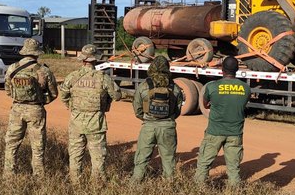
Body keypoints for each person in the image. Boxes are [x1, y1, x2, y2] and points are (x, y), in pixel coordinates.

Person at [59, 43, 121, 184]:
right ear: (96, 60)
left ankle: (75, 182)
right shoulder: (103, 78)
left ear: (82, 60)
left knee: (75, 154)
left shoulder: (72, 77)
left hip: (76, 122)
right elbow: (117, 95)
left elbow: (63, 94)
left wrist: (71, 106)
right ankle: (97, 184)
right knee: (98, 156)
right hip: (96, 123)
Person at [3, 38, 58, 178]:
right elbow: (53, 93)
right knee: (38, 145)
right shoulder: (44, 70)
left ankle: (9, 175)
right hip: (36, 110)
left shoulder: (12, 68)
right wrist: (41, 101)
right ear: (37, 53)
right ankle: (38, 176)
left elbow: (8, 91)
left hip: (17, 109)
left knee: (12, 143)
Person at [194, 56, 251, 187]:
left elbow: (205, 104)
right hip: (235, 133)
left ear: (222, 69)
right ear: (237, 70)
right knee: (233, 168)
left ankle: (197, 190)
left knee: (204, 163)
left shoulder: (212, 87)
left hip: (214, 132)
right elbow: (242, 104)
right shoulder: (246, 88)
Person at [131, 55, 183, 183]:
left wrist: (147, 118)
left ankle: (135, 182)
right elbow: (177, 111)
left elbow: (137, 109)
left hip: (148, 126)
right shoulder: (175, 88)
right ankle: (169, 185)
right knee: (168, 158)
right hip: (167, 127)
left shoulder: (144, 86)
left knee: (142, 157)